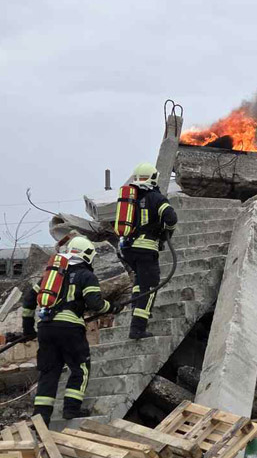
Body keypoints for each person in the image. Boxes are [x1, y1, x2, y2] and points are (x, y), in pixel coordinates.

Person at [22, 236, 120, 424]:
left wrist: (28, 329)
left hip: (45, 328)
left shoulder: (51, 275)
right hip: (70, 329)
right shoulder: (86, 275)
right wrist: (112, 307)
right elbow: (95, 304)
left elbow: (28, 300)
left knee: (48, 373)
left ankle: (40, 420)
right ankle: (71, 411)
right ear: (88, 255)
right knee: (80, 367)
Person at [119, 162, 177, 340]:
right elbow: (171, 217)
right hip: (146, 249)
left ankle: (135, 308)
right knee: (149, 286)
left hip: (128, 249)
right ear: (154, 178)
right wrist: (167, 231)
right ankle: (137, 327)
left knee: (139, 282)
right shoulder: (156, 198)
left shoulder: (131, 198)